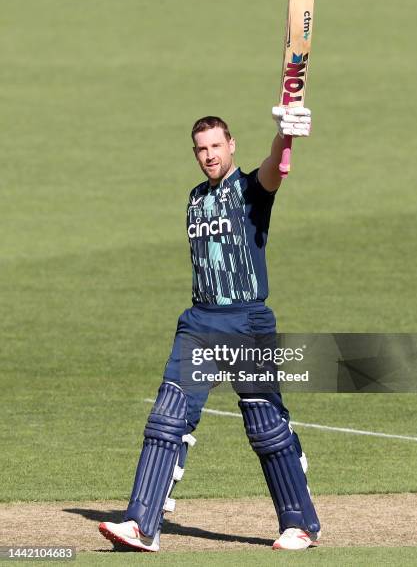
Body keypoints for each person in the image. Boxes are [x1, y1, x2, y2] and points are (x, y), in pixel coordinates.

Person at [98, 107, 321, 552]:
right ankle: (141, 525)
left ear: (231, 145)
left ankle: (300, 524)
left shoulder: (250, 190)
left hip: (247, 320)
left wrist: (285, 137)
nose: (209, 155)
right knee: (167, 417)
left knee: (265, 424)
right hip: (200, 322)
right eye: (201, 149)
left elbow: (275, 171)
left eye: (216, 146)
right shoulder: (195, 198)